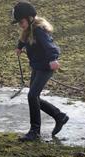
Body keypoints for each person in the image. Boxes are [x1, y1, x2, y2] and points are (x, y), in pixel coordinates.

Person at [11, 1, 69, 142]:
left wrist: (53, 59)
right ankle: (59, 116)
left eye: (21, 21)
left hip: (45, 68)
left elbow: (51, 47)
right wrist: (19, 47)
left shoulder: (38, 30)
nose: (20, 25)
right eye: (18, 22)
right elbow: (23, 39)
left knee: (32, 96)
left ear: (30, 18)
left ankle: (34, 131)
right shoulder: (28, 30)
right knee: (34, 97)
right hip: (37, 67)